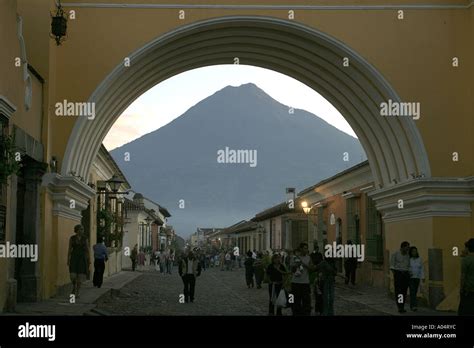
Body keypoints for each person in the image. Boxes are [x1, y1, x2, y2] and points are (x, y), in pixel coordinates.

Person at [67, 224, 90, 297]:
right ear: (77, 230)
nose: (82, 230)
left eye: (82, 229)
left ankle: (78, 292)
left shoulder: (85, 238)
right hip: (74, 257)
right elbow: (69, 249)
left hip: (82, 258)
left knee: (80, 277)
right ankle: (74, 286)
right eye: (81, 229)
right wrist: (68, 259)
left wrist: (89, 259)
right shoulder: (72, 238)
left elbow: (87, 249)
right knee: (73, 275)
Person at [290, 243, 313, 316]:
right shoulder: (294, 257)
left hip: (305, 282)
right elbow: (292, 270)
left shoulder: (309, 258)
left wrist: (303, 263)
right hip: (296, 282)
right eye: (304, 248)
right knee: (296, 301)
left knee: (306, 301)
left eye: (306, 248)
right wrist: (297, 264)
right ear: (300, 249)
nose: (306, 250)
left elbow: (311, 268)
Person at [391, 241, 411, 313]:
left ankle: (402, 305)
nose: (408, 249)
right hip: (398, 273)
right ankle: (400, 306)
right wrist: (396, 275)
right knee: (399, 291)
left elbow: (409, 266)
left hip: (405, 274)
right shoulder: (395, 254)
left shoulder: (408, 256)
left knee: (404, 291)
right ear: (402, 247)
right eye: (407, 247)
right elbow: (392, 266)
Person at [459, 238, 474, 315]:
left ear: (468, 248)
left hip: (468, 290)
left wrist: (461, 289)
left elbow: (463, 277)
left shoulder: (465, 260)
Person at [408, 246, 424, 311]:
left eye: (415, 251)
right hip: (411, 277)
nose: (414, 252)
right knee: (412, 291)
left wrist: (422, 277)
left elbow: (421, 268)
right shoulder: (409, 259)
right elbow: (407, 267)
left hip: (417, 277)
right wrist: (409, 272)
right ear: (411, 252)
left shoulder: (419, 259)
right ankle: (414, 306)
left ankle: (412, 305)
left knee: (414, 292)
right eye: (413, 251)